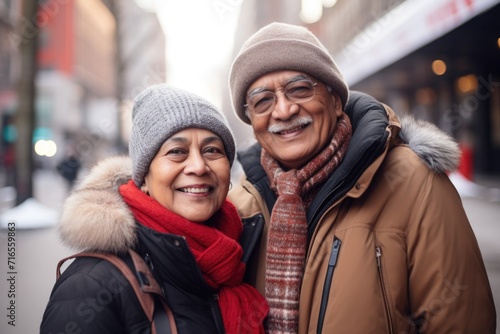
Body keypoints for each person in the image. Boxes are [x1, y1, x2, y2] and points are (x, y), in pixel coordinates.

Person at [227, 22, 496, 333]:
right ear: (252, 121)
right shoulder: (240, 207)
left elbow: (460, 321)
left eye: (299, 89)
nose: (284, 110)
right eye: (263, 101)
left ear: (336, 100)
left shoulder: (416, 182)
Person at [40, 85, 268, 334]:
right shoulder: (91, 285)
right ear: (144, 178)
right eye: (177, 152)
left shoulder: (243, 253)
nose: (199, 167)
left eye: (212, 150)